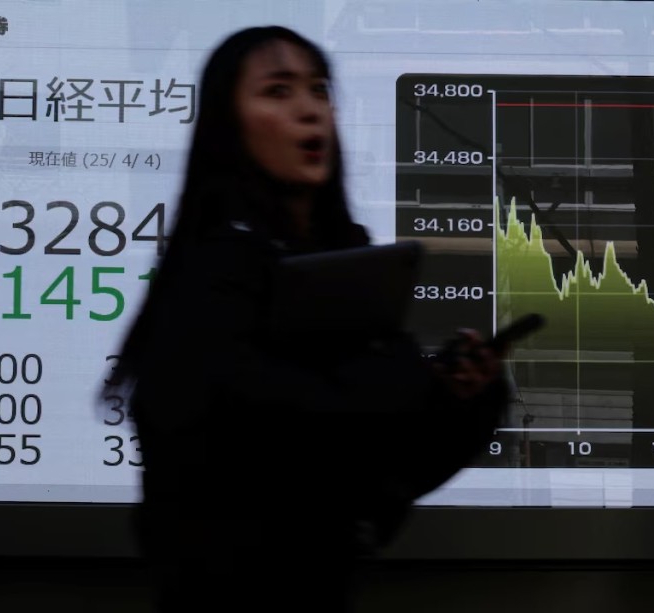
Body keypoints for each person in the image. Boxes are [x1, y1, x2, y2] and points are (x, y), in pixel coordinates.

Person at [105, 25, 511, 613]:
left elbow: (386, 472)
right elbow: (291, 431)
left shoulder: (347, 261)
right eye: (277, 91)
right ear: (228, 125)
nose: (309, 111)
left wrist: (464, 399)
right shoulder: (209, 275)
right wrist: (399, 389)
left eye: (319, 90)